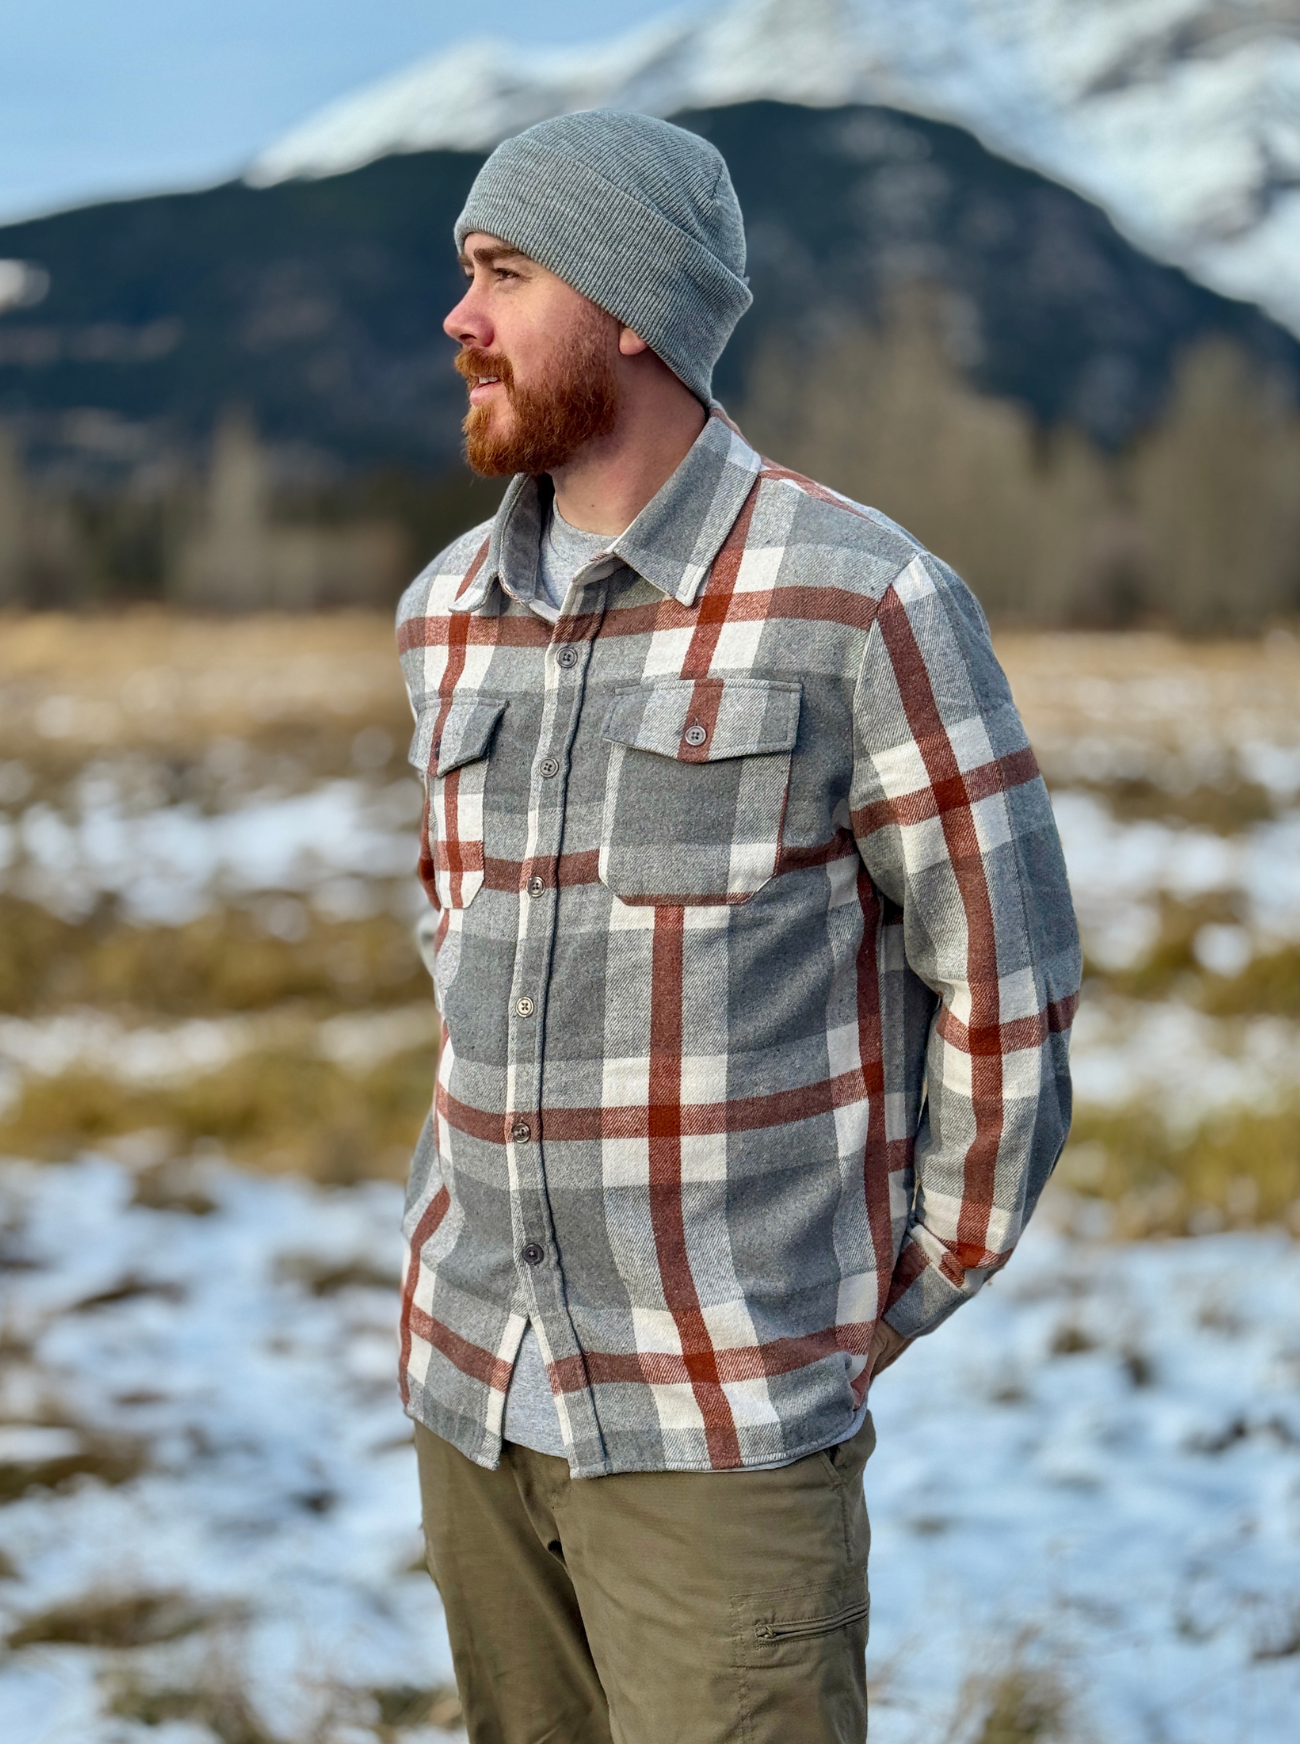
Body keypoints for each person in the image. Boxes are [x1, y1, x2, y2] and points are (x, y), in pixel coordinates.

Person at [395, 109, 1081, 1744]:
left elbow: (1008, 989)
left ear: (633, 305)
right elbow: (454, 949)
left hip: (726, 1429)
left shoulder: (866, 600)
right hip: (477, 1397)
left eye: (503, 272)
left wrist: (886, 1298)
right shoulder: (444, 617)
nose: (458, 318)